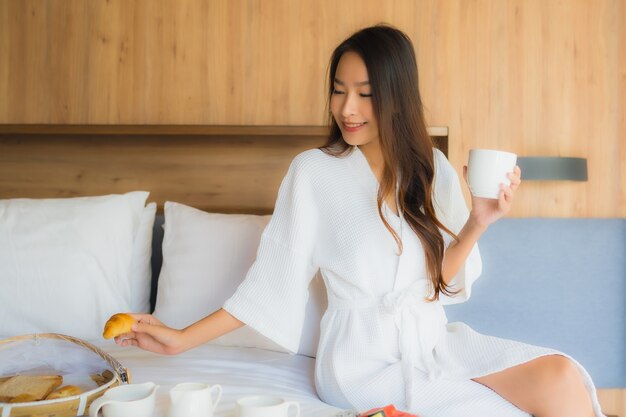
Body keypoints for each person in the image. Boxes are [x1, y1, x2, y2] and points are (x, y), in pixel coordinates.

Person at [116, 25, 604, 417]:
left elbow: (439, 285)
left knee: (559, 378)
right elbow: (270, 283)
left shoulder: (432, 168)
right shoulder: (314, 173)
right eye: (339, 91)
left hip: (432, 344)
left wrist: (479, 221)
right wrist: (180, 340)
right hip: (359, 362)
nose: (347, 109)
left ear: (397, 96)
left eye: (365, 94)